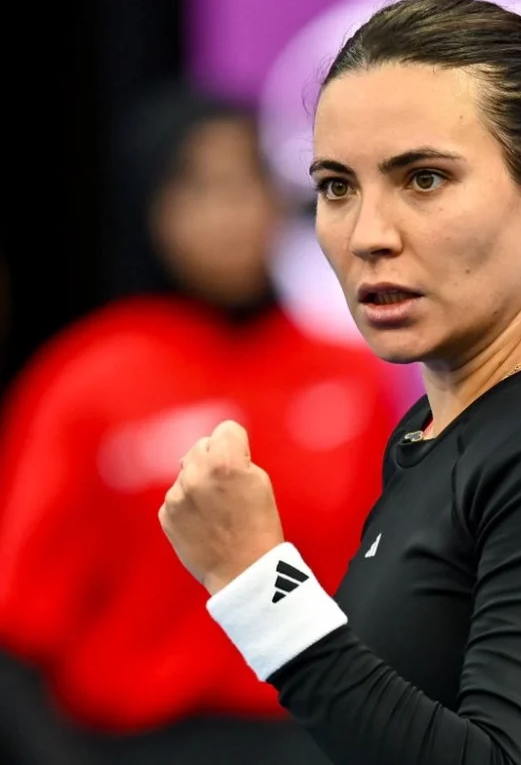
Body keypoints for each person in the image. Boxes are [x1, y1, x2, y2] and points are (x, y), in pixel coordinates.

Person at [159, 0, 521, 765]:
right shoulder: (434, 433)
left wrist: (258, 581)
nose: (369, 235)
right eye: (337, 186)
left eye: (423, 179)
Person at [0, 83, 403, 765]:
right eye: (199, 187)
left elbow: (395, 583)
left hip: (316, 735)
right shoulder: (86, 379)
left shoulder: (349, 374)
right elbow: (19, 626)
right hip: (142, 743)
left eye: (247, 182)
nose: (229, 212)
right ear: (149, 207)